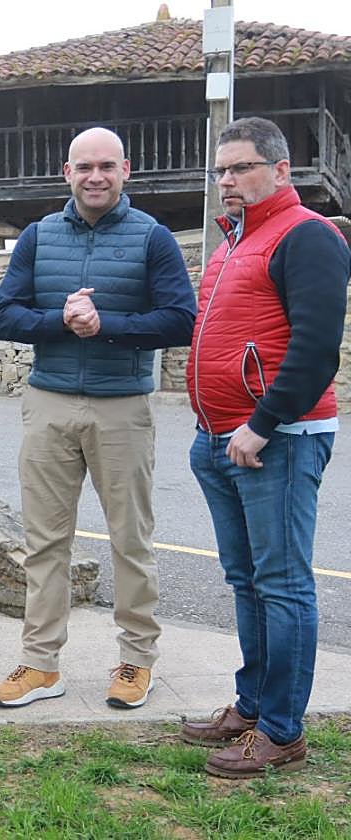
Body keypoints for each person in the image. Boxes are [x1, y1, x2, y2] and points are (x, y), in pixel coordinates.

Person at [0, 127, 195, 710]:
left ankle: (136, 660)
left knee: (131, 540)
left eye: (106, 166)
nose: (95, 177)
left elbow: (181, 319)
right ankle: (40, 664)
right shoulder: (37, 236)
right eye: (84, 167)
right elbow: (4, 316)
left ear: (125, 170)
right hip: (49, 402)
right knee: (44, 543)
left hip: (122, 406)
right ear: (67, 173)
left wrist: (107, 326)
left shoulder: (152, 238)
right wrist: (60, 319)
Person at [180, 117, 350, 778]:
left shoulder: (307, 235)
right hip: (221, 438)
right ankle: (252, 708)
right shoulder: (233, 242)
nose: (227, 180)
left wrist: (262, 423)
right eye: (221, 170)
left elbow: (316, 348)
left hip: (275, 439)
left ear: (280, 170)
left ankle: (282, 731)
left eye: (241, 167)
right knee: (247, 581)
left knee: (282, 585)